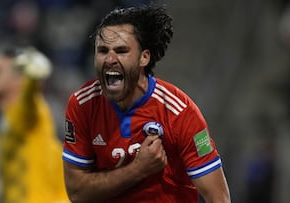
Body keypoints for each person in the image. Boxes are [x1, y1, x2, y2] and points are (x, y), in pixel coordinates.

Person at [62, 5, 231, 203]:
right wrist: (138, 169)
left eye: (121, 50)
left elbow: (219, 197)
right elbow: (76, 193)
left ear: (144, 57)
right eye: (102, 50)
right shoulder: (82, 105)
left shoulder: (179, 112)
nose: (109, 59)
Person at [0, 46, 69, 203]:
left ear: (18, 80)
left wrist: (33, 78)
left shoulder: (31, 112)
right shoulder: (8, 120)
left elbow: (29, 100)